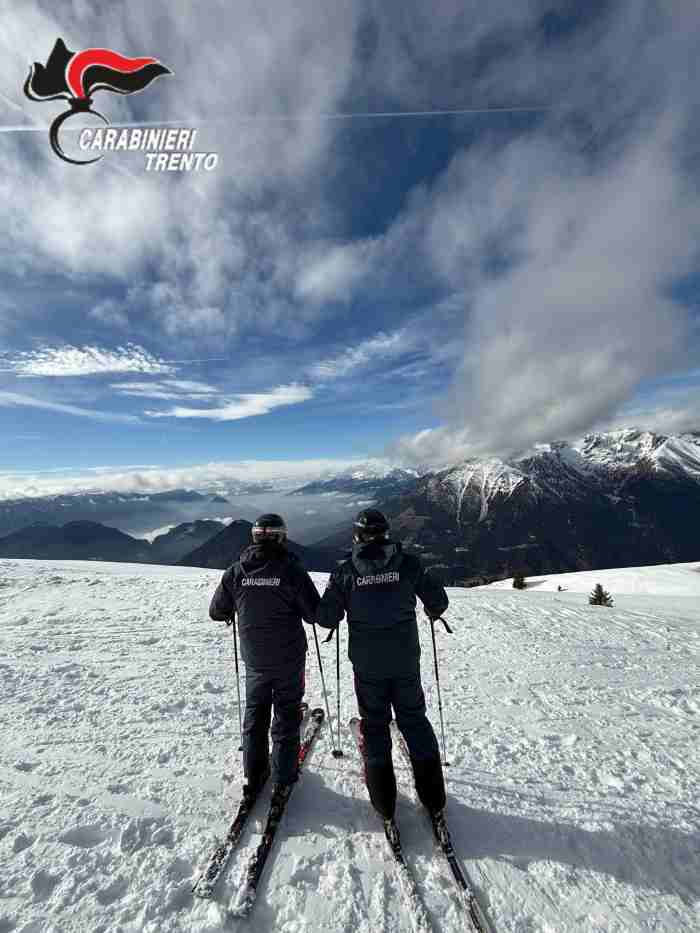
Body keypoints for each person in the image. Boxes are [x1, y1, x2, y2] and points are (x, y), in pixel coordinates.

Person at [316, 508, 449, 825]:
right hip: (405, 660)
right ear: (387, 533)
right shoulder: (408, 564)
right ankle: (433, 798)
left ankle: (384, 802)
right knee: (414, 720)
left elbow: (325, 617)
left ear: (357, 536)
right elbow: (438, 601)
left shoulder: (346, 572)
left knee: (375, 725)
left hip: (367, 664)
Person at [209, 513, 320, 803]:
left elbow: (216, 611)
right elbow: (314, 614)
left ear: (255, 537)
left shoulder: (237, 571)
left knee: (255, 714)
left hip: (255, 658)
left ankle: (253, 773)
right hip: (288, 657)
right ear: (281, 537)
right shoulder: (292, 571)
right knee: (286, 713)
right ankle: (284, 776)